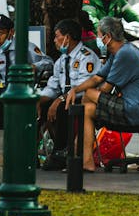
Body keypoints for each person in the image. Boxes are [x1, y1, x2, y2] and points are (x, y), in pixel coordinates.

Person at [66, 16, 139, 172]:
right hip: (131, 106)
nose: (98, 39)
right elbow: (97, 78)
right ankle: (85, 161)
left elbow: (105, 89)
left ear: (107, 37)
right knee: (87, 109)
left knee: (88, 98)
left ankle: (75, 152)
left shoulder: (125, 54)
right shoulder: (117, 53)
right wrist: (74, 90)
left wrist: (84, 94)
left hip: (136, 109)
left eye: (99, 35)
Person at [37, 18, 101, 170]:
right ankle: (32, 154)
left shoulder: (86, 57)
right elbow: (53, 86)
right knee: (41, 107)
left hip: (82, 100)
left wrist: (59, 99)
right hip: (64, 99)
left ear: (68, 37)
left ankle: (62, 152)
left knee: (61, 109)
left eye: (57, 36)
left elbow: (83, 87)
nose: (55, 40)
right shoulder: (61, 60)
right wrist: (39, 101)